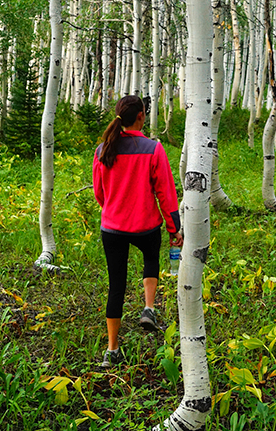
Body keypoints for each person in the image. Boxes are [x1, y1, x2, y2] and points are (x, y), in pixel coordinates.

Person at [92, 95, 182, 367]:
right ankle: (149, 308)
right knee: (151, 260)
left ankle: (111, 349)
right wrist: (174, 227)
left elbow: (99, 193)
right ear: (141, 117)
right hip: (146, 226)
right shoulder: (153, 149)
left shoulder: (102, 150)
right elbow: (165, 192)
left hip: (112, 228)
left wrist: (114, 208)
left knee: (115, 285)